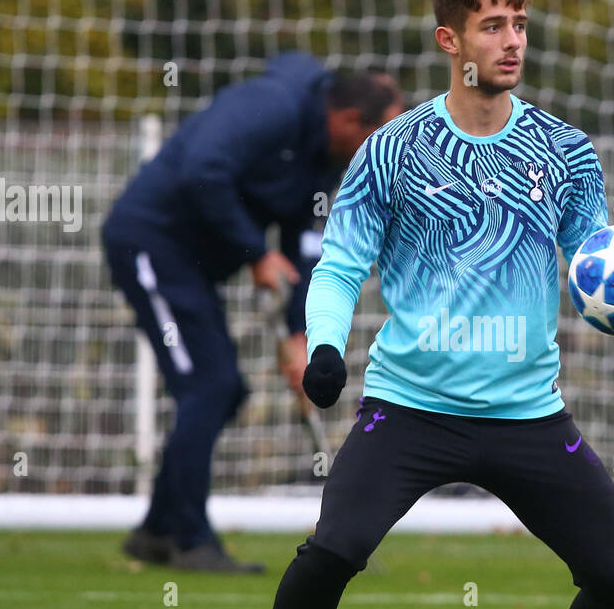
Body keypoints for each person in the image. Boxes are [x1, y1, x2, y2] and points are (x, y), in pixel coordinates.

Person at [221, 0, 614, 609]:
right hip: (410, 407)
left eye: (519, 24)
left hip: (527, 415)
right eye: (492, 26)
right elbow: (340, 264)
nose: (512, 41)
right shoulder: (392, 150)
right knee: (332, 552)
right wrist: (323, 349)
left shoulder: (566, 150)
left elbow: (594, 271)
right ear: (451, 40)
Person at [102, 53, 404, 572]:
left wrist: (299, 338)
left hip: (190, 268)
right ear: (352, 121)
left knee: (223, 389)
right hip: (150, 244)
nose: (385, 156)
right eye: (382, 138)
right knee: (209, 386)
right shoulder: (270, 106)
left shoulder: (328, 157)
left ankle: (157, 531)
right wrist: (255, 252)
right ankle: (190, 541)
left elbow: (300, 243)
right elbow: (203, 171)